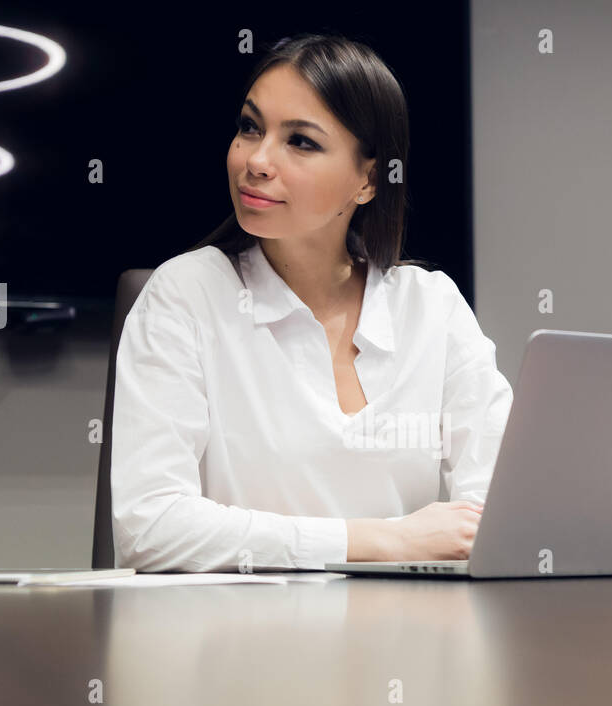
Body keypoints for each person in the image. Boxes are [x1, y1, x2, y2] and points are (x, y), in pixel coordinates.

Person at [111, 34, 513, 573]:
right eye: (250, 127)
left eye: (300, 142)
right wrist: (385, 540)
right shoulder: (185, 293)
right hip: (234, 645)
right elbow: (151, 527)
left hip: (409, 643)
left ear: (368, 180)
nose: (256, 160)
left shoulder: (431, 306)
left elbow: (497, 511)